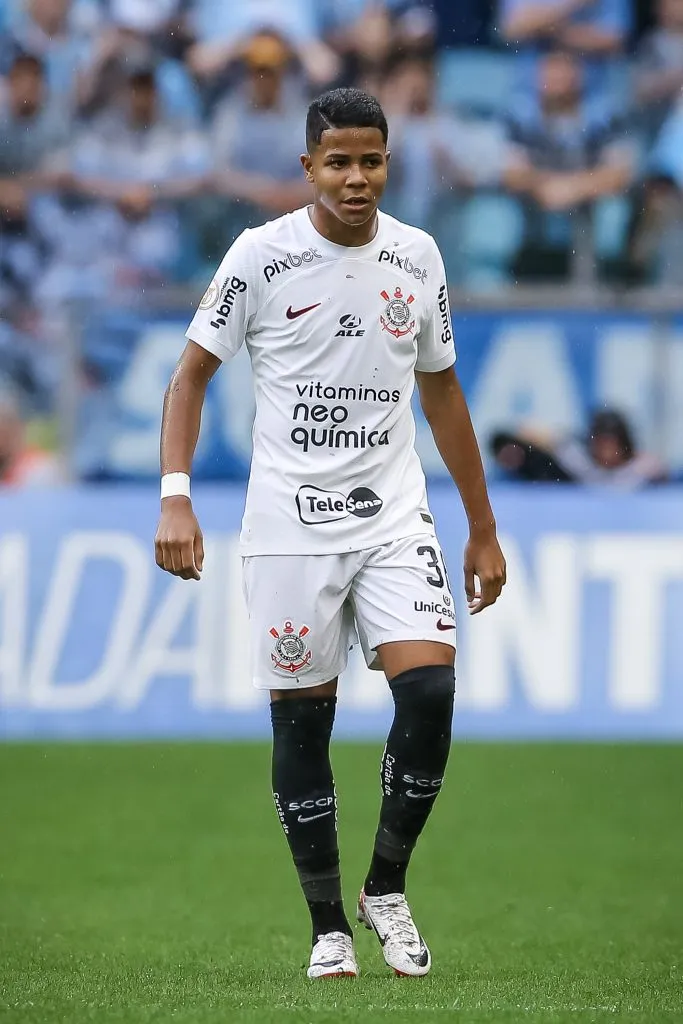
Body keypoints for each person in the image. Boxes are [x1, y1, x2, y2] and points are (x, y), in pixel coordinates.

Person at [154, 87, 506, 979]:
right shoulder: (261, 257)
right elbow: (189, 376)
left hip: (392, 513)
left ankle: (384, 887)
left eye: (372, 160)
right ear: (306, 168)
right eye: (339, 162)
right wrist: (175, 497)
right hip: (286, 525)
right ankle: (326, 927)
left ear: (389, 163)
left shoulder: (417, 257)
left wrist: (483, 527)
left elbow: (442, 391)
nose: (357, 179)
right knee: (302, 725)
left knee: (428, 694)